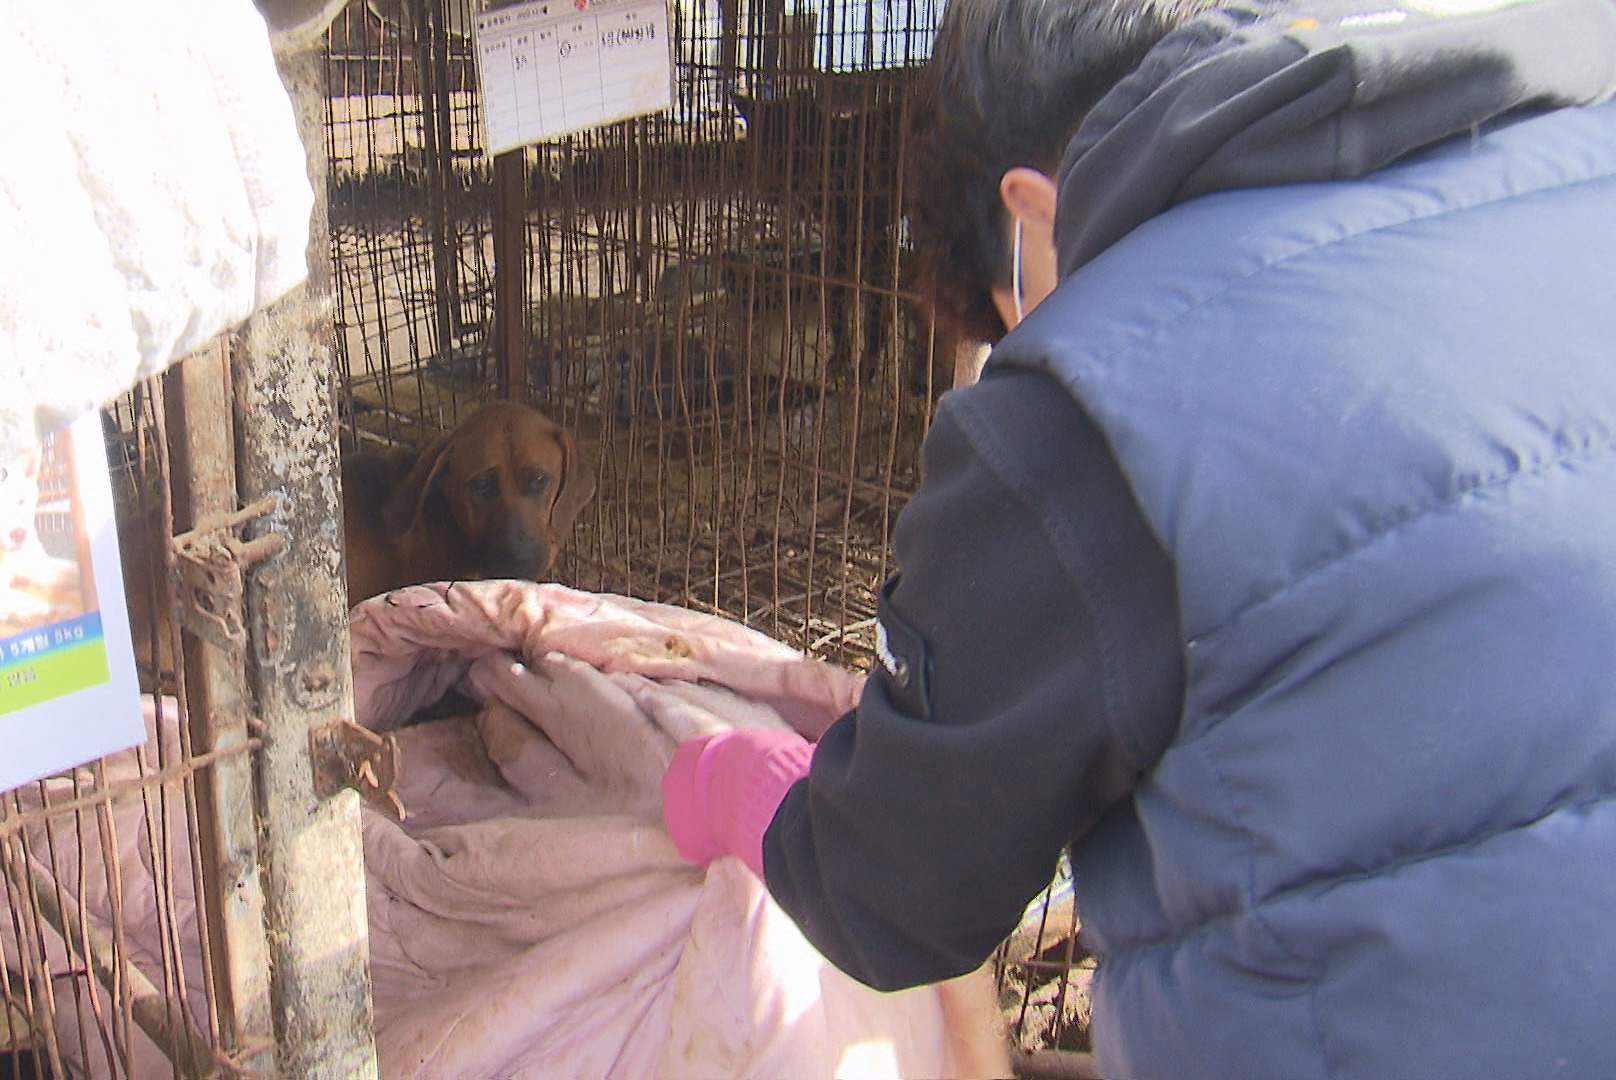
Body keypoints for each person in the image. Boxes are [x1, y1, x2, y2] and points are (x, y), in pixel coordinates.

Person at [655, 1, 1616, 1076]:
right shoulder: (1577, 147)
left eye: (1003, 308)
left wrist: (747, 788)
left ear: (1032, 216)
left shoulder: (1096, 397)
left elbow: (887, 890)